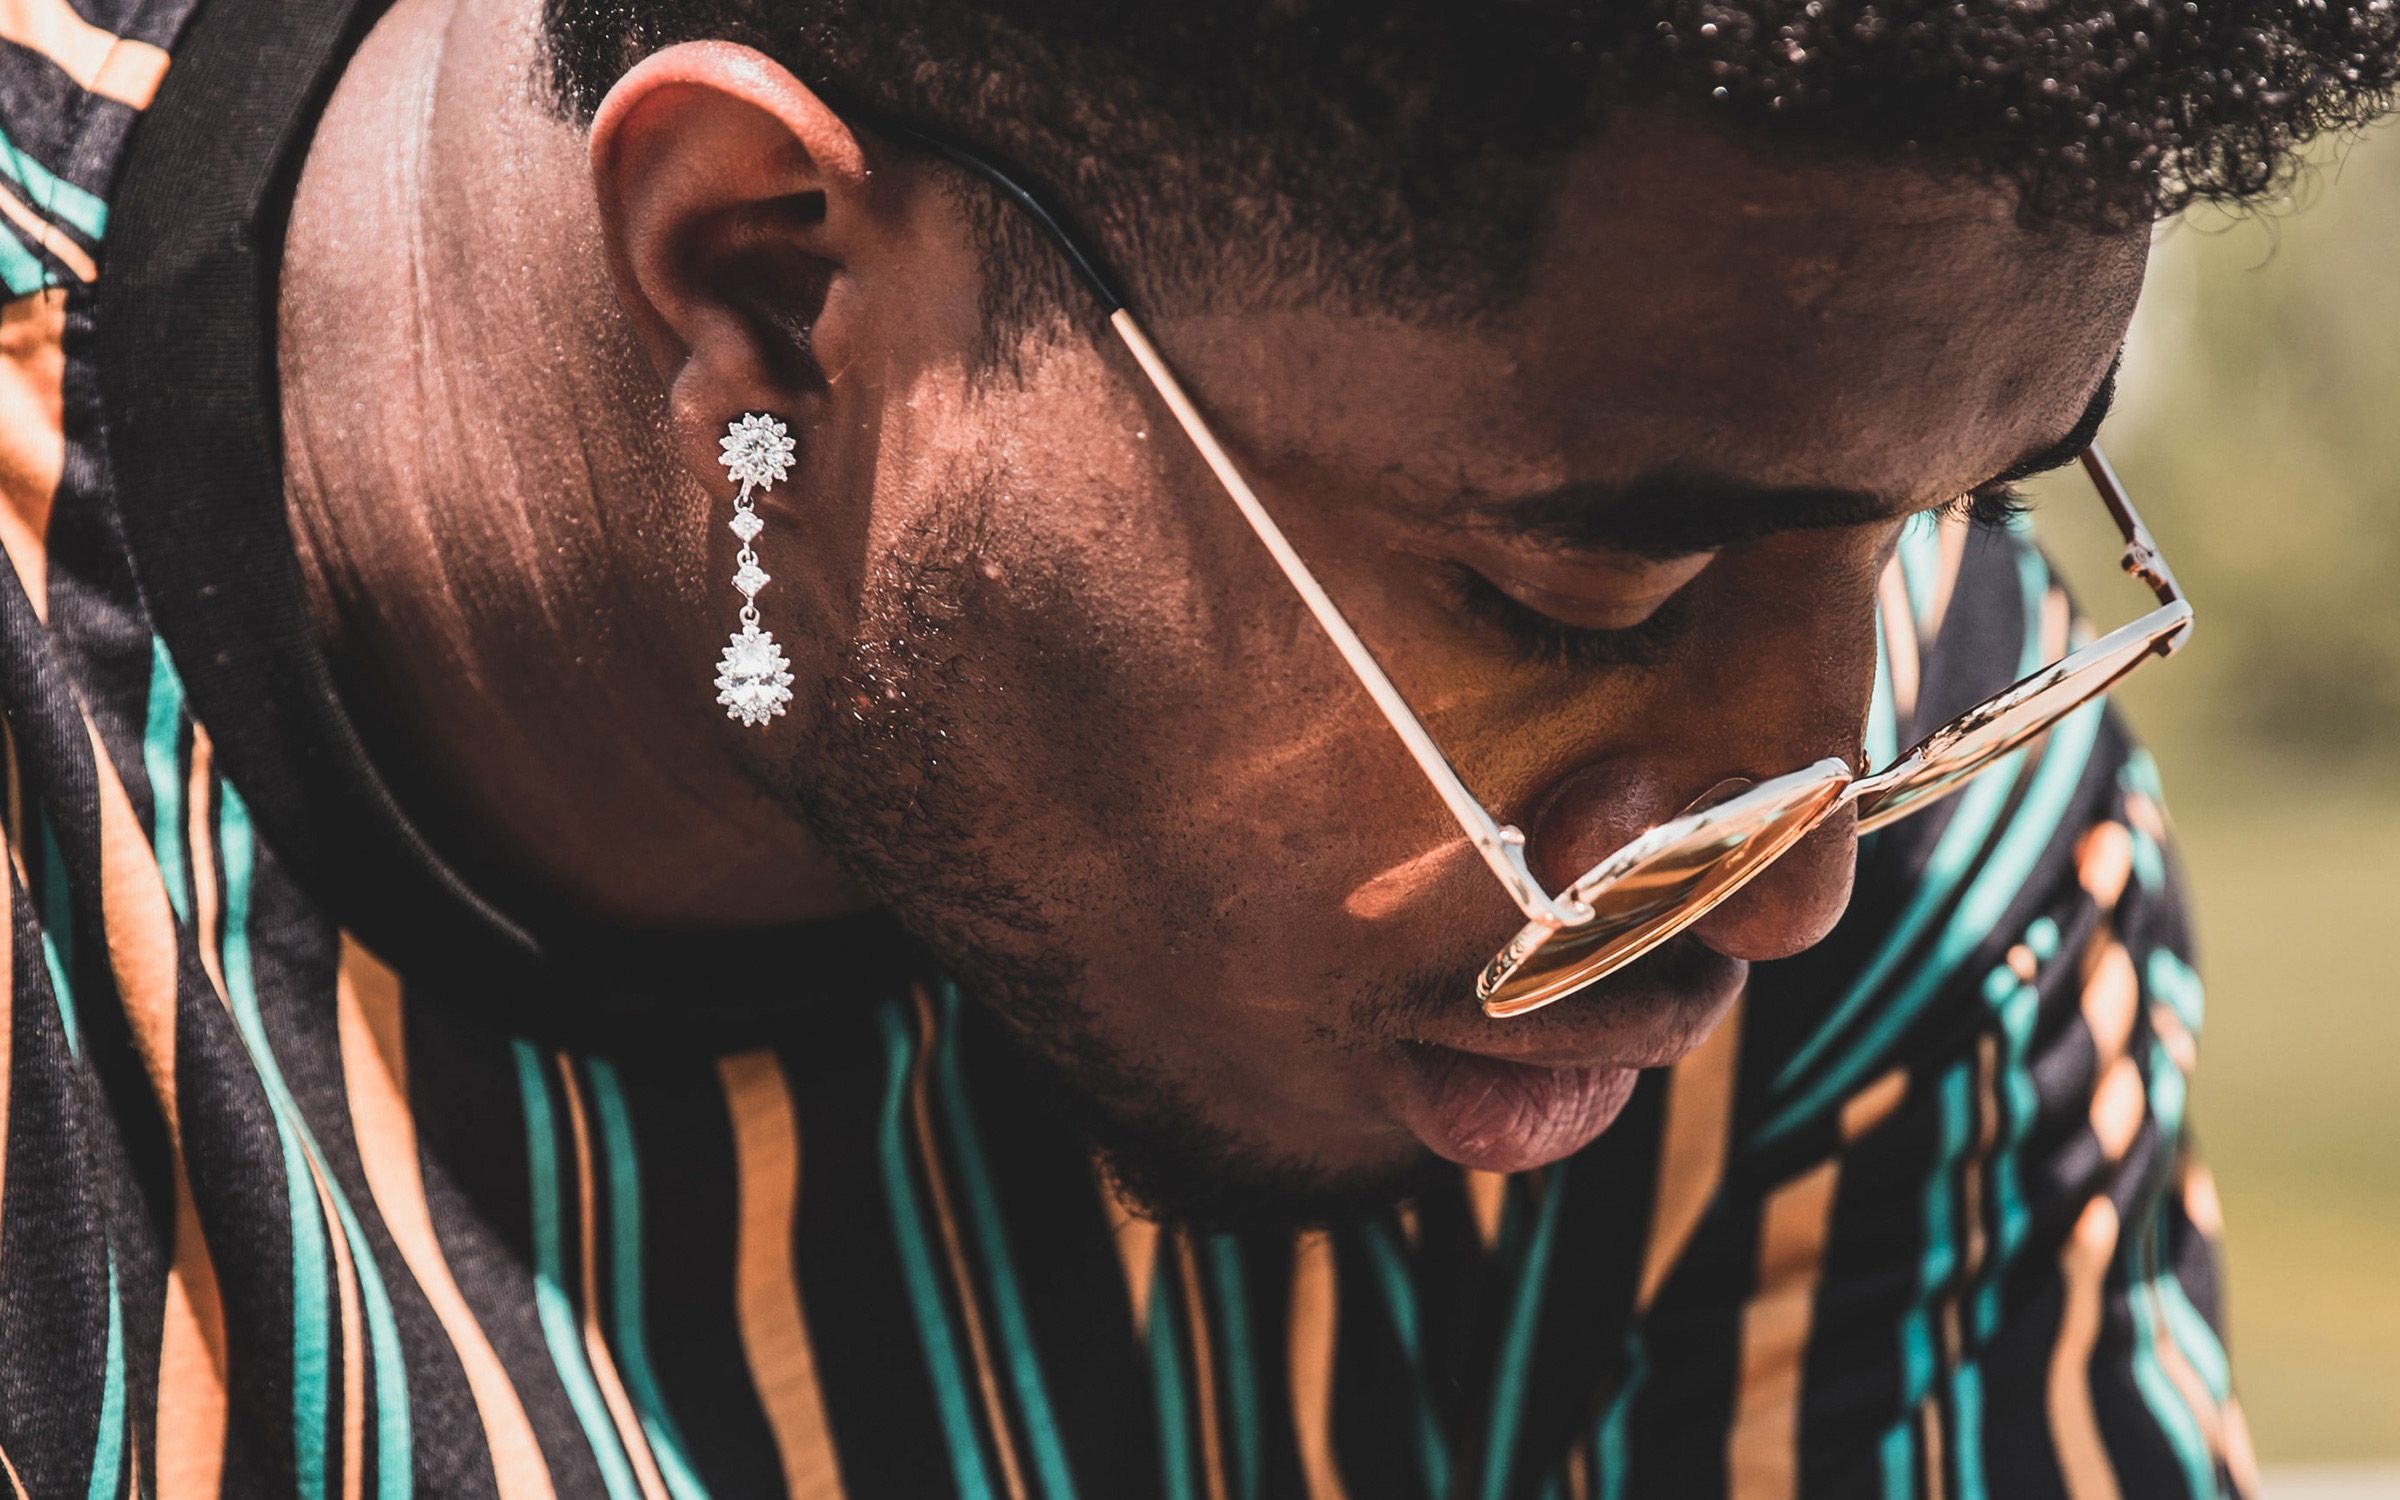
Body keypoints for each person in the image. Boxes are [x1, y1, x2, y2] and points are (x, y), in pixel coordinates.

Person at [1, 0, 2389, 1492]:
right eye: (1586, 599)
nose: (1798, 874)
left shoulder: (1919, 923)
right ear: (771, 285)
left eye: (1944, 506)